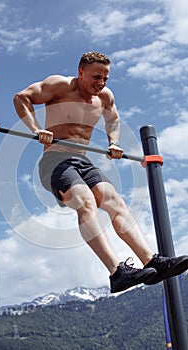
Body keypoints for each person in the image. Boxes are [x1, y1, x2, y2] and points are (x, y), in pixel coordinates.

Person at [14, 52, 188, 293]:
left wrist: (113, 142)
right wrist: (35, 129)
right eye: (96, 77)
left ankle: (152, 261)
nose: (101, 83)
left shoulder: (104, 97)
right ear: (81, 72)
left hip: (83, 161)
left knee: (114, 201)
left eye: (105, 78)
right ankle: (117, 273)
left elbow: (113, 119)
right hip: (55, 161)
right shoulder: (59, 85)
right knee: (85, 202)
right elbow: (21, 98)